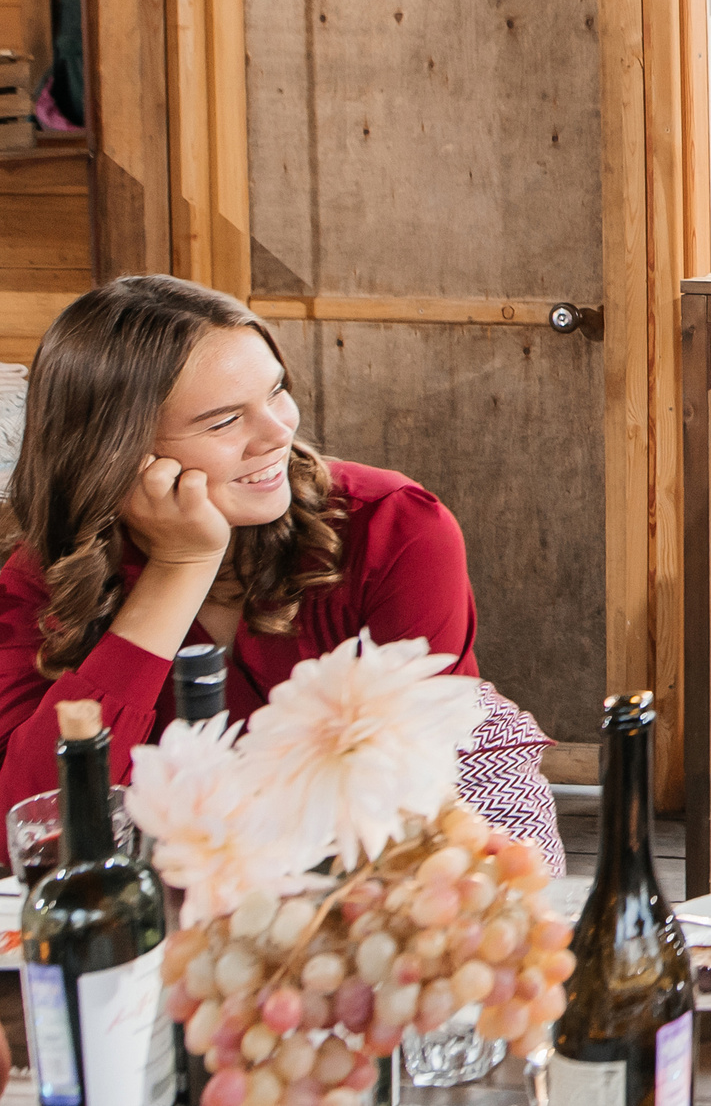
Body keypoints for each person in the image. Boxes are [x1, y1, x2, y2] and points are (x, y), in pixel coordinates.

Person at [0, 277, 559, 870]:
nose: (277, 433)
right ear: (116, 451)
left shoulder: (395, 528)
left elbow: (414, 781)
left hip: (405, 810)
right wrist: (179, 570)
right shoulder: (47, 574)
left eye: (276, 392)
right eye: (222, 422)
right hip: (182, 839)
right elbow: (30, 820)